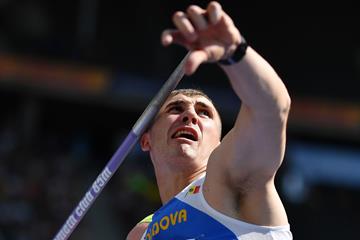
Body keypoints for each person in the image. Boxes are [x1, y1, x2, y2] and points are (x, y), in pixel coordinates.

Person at [127, 1, 292, 239]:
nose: (190, 115)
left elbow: (271, 109)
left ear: (219, 143)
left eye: (204, 113)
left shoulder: (230, 179)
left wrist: (235, 53)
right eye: (175, 108)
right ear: (146, 140)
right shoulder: (142, 234)